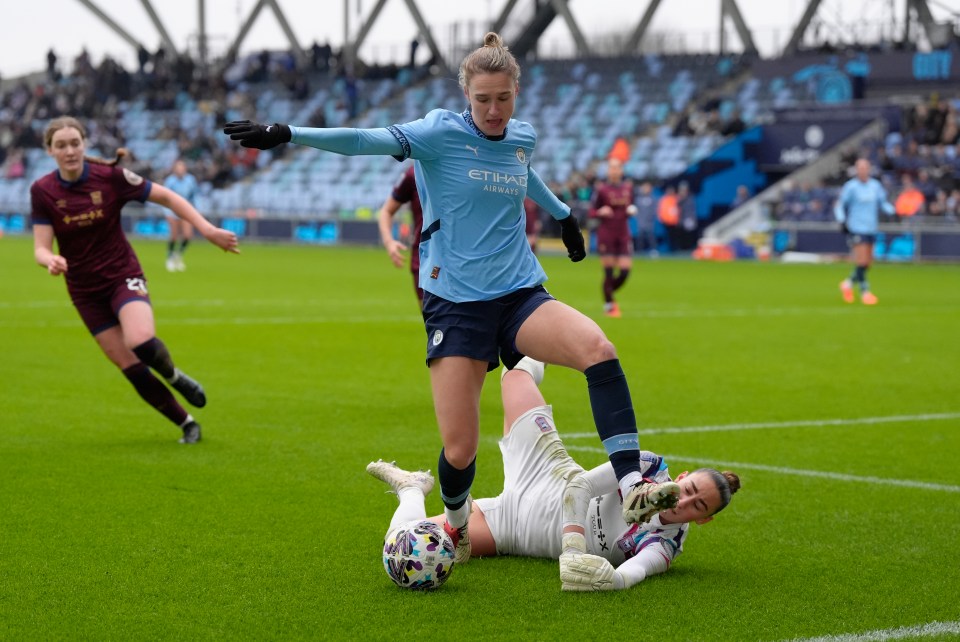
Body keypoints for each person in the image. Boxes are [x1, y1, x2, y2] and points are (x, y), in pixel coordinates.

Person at [225, 32, 677, 564]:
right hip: (456, 305)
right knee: (460, 450)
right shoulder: (438, 132)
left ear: (516, 92)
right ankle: (457, 525)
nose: (493, 109)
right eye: (483, 99)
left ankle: (631, 489)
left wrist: (563, 215)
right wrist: (287, 132)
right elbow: (364, 139)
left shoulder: (520, 136)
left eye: (503, 98)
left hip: (518, 293)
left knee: (598, 349)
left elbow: (521, 172)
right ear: (467, 94)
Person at [367, 357, 740, 591]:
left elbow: (635, 573)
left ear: (703, 519)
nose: (686, 500)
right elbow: (579, 485)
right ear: (684, 475)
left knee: (401, 547)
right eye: (690, 488)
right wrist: (575, 548)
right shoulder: (649, 467)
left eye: (697, 504)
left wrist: (611, 580)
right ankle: (531, 338)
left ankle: (412, 489)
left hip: (514, 529)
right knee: (514, 376)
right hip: (547, 473)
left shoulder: (667, 543)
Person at [31, 116, 240, 444]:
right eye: (61, 145)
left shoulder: (110, 178)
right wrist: (50, 260)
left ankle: (174, 376)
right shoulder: (42, 191)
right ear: (49, 151)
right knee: (129, 366)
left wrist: (207, 229)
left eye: (75, 143)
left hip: (121, 275)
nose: (70, 150)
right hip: (84, 291)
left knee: (141, 340)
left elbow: (168, 198)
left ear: (84, 145)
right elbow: (40, 248)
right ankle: (187, 424)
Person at [834, 158, 895, 305]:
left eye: (865, 168)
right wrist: (842, 220)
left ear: (869, 169)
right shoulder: (851, 187)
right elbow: (840, 205)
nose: (862, 170)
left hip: (871, 228)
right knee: (861, 260)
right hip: (857, 228)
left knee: (867, 263)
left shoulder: (875, 186)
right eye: (860, 168)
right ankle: (865, 292)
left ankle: (848, 283)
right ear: (856, 170)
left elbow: (883, 203)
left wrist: (893, 211)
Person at [589, 158, 636, 318]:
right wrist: (600, 212)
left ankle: (607, 292)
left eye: (617, 168)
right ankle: (609, 305)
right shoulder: (602, 190)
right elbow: (591, 211)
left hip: (623, 234)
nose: (614, 171)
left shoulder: (628, 189)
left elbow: (630, 206)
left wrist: (631, 210)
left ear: (621, 171)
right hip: (607, 234)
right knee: (609, 272)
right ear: (608, 171)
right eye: (611, 168)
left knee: (624, 271)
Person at [376, 164, 424, 305]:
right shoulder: (413, 174)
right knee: (434, 322)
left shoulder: (463, 168)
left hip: (461, 258)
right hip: (424, 258)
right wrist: (389, 242)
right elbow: (386, 211)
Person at [162, 159, 200, 272]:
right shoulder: (170, 181)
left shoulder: (190, 180)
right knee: (174, 235)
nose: (180, 170)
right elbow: (165, 196)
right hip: (172, 210)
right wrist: (168, 210)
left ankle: (178, 255)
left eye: (182, 168)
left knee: (188, 235)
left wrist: (196, 209)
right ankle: (169, 257)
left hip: (186, 209)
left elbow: (194, 195)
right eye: (178, 168)